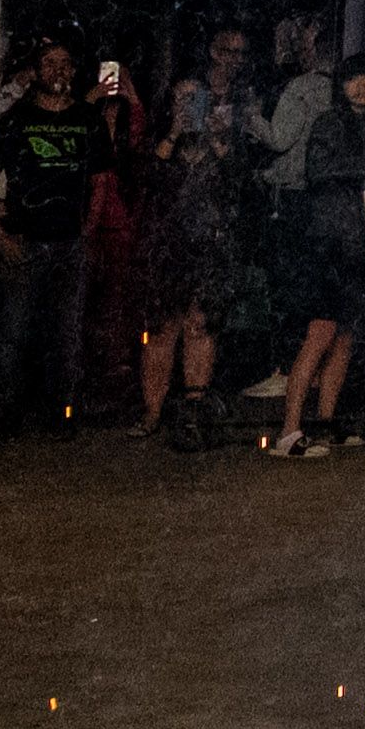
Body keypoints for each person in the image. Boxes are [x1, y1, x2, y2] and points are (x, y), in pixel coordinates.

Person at [0, 38, 107, 441]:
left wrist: (88, 232)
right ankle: (3, 418)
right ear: (36, 69)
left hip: (70, 242)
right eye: (50, 63)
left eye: (66, 62)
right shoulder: (14, 120)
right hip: (25, 240)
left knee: (67, 334)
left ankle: (62, 414)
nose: (59, 71)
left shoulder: (88, 119)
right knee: (13, 333)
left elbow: (101, 181)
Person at [266, 61, 365, 455]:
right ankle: (289, 431)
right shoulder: (328, 123)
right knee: (320, 333)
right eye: (353, 79)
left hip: (361, 242)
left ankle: (325, 421)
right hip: (330, 242)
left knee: (346, 337)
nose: (361, 87)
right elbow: (318, 171)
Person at [127, 66, 248, 448]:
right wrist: (175, 132)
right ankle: (153, 411)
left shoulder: (221, 140)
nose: (190, 105)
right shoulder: (161, 139)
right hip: (167, 247)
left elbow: (238, 180)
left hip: (209, 247)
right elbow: (144, 176)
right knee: (163, 329)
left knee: (201, 324)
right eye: (183, 99)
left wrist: (213, 136)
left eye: (197, 99)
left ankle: (194, 407)